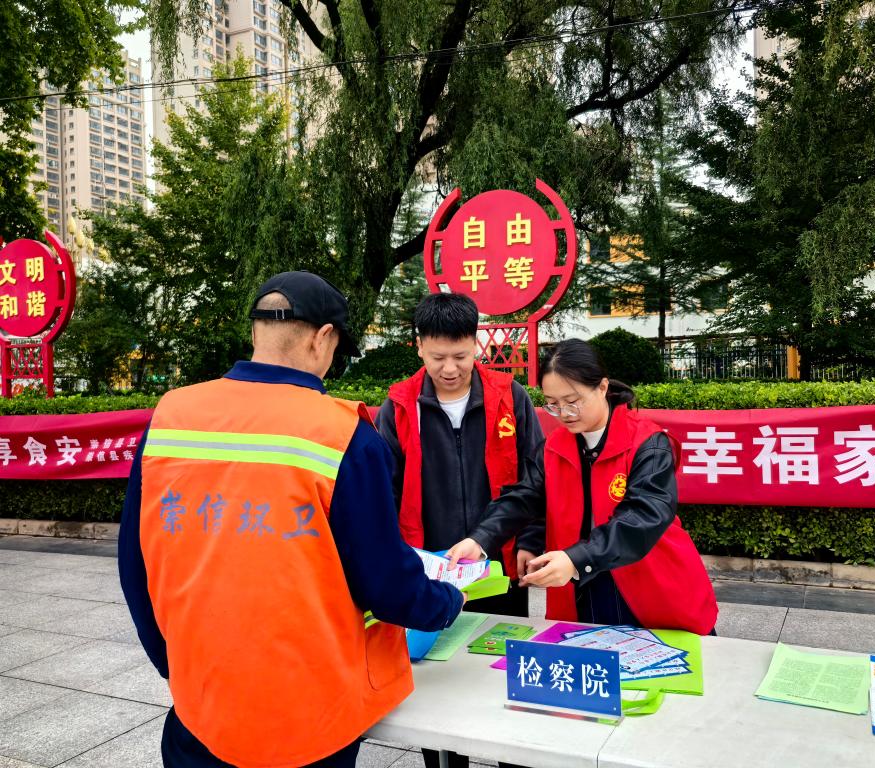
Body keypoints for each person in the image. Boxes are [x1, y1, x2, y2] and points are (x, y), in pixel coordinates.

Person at [119, 271, 464, 768]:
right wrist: (446, 603)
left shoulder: (171, 415)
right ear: (322, 338)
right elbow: (386, 584)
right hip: (309, 720)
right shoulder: (341, 433)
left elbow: (135, 565)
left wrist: (175, 668)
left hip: (200, 713)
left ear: (256, 330)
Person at [374, 292, 543, 768]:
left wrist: (523, 539)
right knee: (439, 686)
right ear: (419, 347)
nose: (450, 368)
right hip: (432, 573)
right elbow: (384, 491)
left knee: (505, 675)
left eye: (461, 356)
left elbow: (534, 478)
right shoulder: (399, 406)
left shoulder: (509, 397)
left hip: (497, 565)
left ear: (476, 344)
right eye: (438, 357)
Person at [448, 338, 718, 634]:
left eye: (572, 401)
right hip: (583, 587)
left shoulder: (648, 444)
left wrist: (576, 559)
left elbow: (643, 517)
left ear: (602, 387)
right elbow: (522, 498)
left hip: (649, 584)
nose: (564, 413)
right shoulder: (553, 448)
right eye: (553, 404)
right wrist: (480, 540)